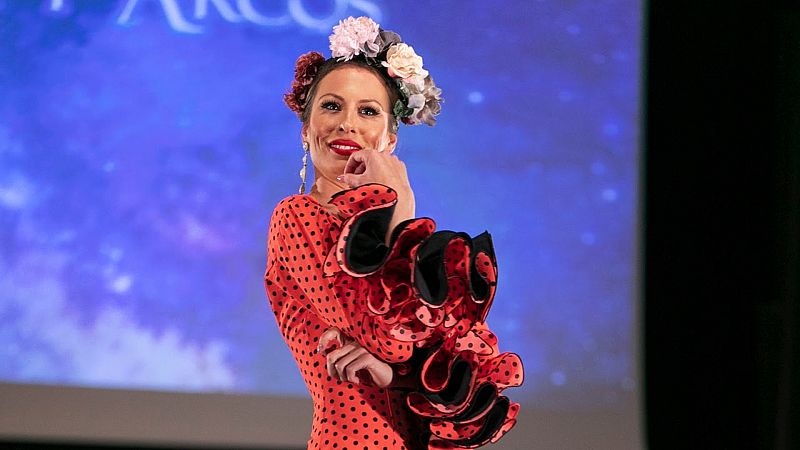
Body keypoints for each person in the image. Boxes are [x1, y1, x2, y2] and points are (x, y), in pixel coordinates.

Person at [264, 17, 523, 450]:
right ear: (306, 131)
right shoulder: (295, 217)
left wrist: (396, 374)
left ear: (390, 139)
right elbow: (387, 335)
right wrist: (400, 202)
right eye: (331, 106)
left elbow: (459, 380)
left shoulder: (407, 244)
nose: (347, 123)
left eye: (368, 111)